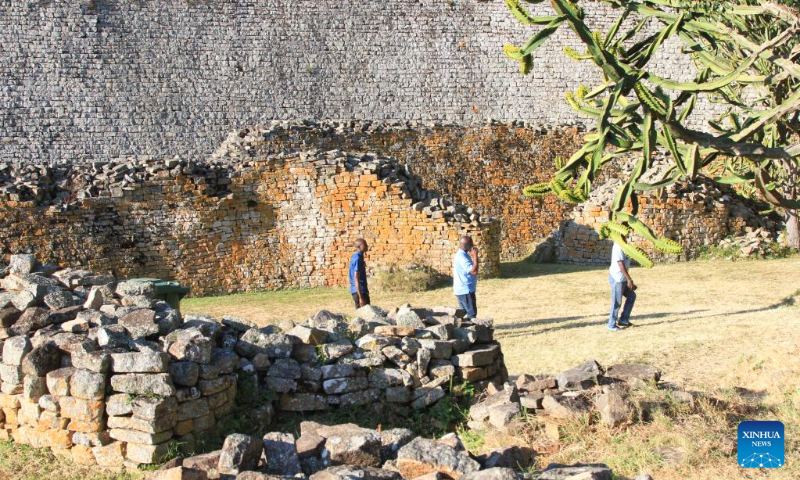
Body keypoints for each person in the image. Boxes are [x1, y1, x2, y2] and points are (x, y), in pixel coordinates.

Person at [607, 236, 637, 331]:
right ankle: (611, 325)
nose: (628, 232)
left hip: (622, 278)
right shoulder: (618, 245)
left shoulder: (624, 244)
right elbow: (620, 264)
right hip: (617, 279)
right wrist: (629, 280)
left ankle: (623, 319)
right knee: (617, 302)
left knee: (631, 296)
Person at [453, 235, 479, 318]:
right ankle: (471, 330)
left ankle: (460, 329)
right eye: (471, 244)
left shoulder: (462, 254)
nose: (473, 246)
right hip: (465, 290)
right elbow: (474, 271)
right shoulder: (462, 257)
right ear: (467, 245)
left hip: (462, 290)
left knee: (463, 312)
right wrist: (475, 256)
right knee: (471, 314)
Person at [349, 238, 370, 309]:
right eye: (365, 244)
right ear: (359, 246)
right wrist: (360, 297)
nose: (367, 246)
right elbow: (356, 278)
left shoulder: (360, 257)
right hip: (359, 292)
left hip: (362, 290)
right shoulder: (357, 259)